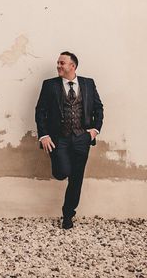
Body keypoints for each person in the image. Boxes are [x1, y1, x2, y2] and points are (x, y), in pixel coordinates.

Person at [35, 51, 104, 229]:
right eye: (58, 63)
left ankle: (68, 215)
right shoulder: (50, 85)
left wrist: (95, 130)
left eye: (62, 63)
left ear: (72, 66)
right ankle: (61, 169)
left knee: (76, 178)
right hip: (59, 138)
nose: (58, 66)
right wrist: (44, 135)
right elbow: (40, 111)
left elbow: (98, 107)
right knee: (61, 172)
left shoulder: (88, 84)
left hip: (82, 137)